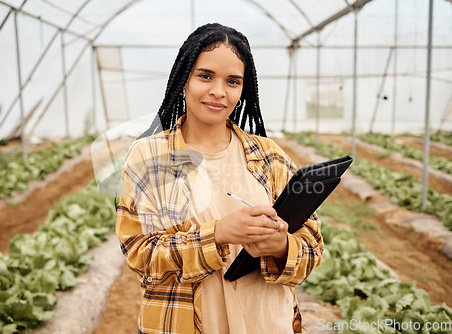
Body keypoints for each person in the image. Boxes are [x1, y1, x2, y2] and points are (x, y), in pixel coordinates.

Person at [116, 23, 323, 334]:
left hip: (268, 323)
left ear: (243, 91)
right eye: (205, 76)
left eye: (233, 81)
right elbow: (142, 256)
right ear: (183, 79)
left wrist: (281, 245)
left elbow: (312, 249)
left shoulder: (270, 156)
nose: (218, 91)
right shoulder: (149, 158)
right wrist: (219, 233)